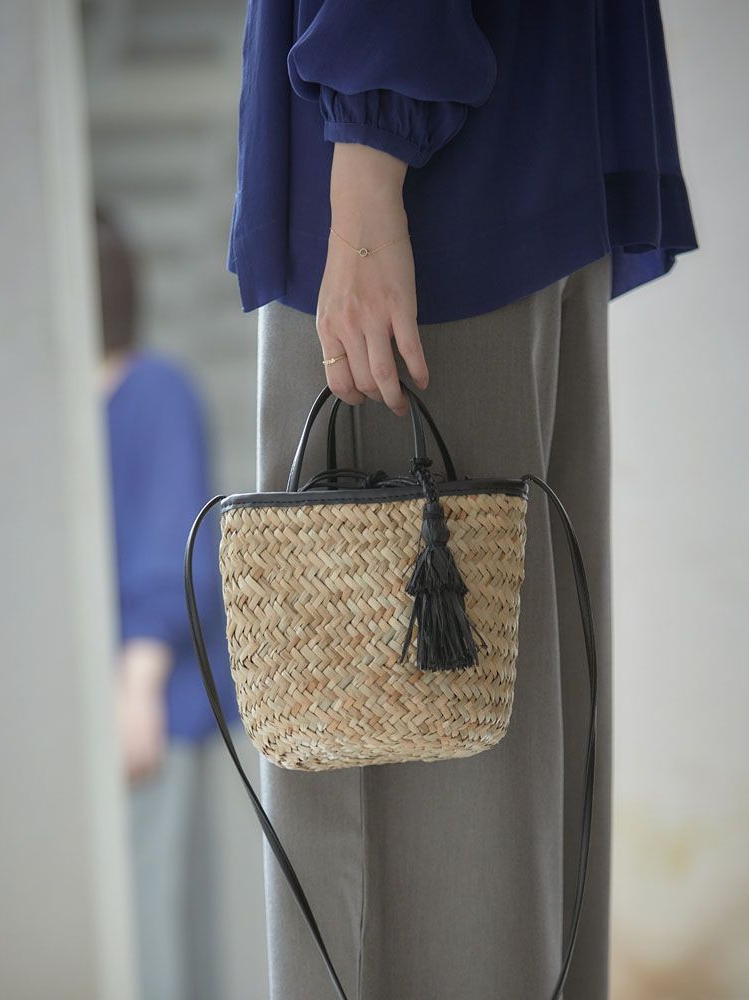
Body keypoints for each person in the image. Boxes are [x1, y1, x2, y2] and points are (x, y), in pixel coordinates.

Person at [228, 2, 698, 998]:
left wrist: (368, 167)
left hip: (421, 191)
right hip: (518, 150)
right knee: (524, 775)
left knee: (410, 843)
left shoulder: (384, 159)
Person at [96, 205, 236, 1000]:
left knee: (156, 939)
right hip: (114, 708)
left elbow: (173, 555)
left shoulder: (154, 392)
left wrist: (136, 688)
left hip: (147, 709)